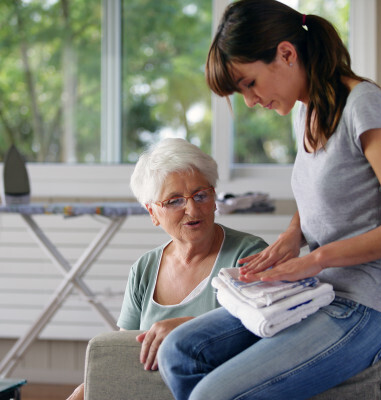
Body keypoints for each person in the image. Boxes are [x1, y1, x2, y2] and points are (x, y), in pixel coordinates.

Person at [157, 1, 381, 399]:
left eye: (249, 83)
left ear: (286, 54)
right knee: (179, 352)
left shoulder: (362, 103)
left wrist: (315, 258)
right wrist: (292, 235)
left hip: (367, 304)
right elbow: (329, 186)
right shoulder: (307, 111)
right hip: (320, 290)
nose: (250, 100)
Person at [66, 137, 268, 399]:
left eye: (201, 195)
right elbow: (125, 354)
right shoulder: (144, 269)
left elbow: (266, 340)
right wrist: (86, 390)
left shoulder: (250, 255)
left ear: (214, 198)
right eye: (174, 201)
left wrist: (190, 331)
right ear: (152, 213)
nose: (192, 209)